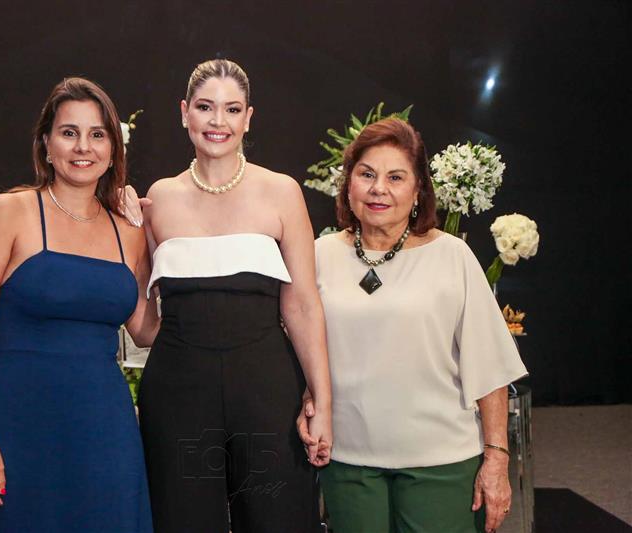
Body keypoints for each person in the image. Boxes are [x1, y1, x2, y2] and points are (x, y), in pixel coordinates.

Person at [302, 117, 528, 533]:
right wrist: (307, 398)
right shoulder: (318, 255)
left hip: (442, 463)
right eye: (366, 174)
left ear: (418, 189)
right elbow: (303, 347)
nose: (379, 189)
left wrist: (497, 458)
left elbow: (490, 366)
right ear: (348, 184)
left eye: (395, 177)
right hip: (348, 460)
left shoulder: (453, 256)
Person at [135, 59, 332, 533]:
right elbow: (142, 327)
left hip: (267, 392)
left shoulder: (281, 192)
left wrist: (323, 400)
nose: (217, 121)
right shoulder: (157, 199)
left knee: (279, 521)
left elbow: (303, 305)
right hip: (177, 395)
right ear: (184, 112)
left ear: (248, 118)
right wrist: (118, 232)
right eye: (205, 107)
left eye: (232, 109)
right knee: (181, 523)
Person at [0, 77, 158, 533]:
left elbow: (146, 330)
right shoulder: (9, 212)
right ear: (46, 144)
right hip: (16, 425)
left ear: (113, 149)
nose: (83, 146)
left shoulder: (129, 231)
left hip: (104, 429)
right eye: (69, 132)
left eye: (97, 134)